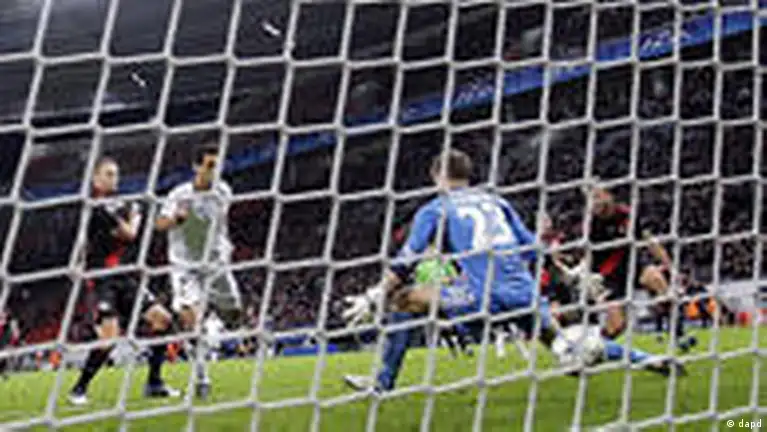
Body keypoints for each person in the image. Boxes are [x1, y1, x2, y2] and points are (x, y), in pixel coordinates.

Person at [341, 150, 680, 392]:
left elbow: (407, 260)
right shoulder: (497, 201)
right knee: (562, 342)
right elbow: (532, 247)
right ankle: (647, 358)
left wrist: (375, 295)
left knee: (401, 300)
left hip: (481, 296)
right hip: (524, 294)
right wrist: (568, 275)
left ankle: (382, 383)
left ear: (436, 176)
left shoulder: (435, 208)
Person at [69, 157, 177, 406]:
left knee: (162, 319)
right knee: (109, 338)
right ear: (95, 178)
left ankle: (154, 383)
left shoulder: (118, 204)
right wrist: (135, 216)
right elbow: (129, 233)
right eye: (108, 174)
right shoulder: (95, 207)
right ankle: (79, 388)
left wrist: (130, 216)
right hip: (101, 278)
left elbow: (125, 231)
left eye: (116, 174)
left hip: (125, 275)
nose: (113, 179)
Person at [155, 144, 243, 399]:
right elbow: (159, 224)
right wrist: (176, 218)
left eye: (217, 166)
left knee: (233, 316)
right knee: (190, 320)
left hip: (216, 265)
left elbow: (214, 224)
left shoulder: (223, 191)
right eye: (209, 166)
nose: (214, 171)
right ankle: (202, 376)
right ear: (196, 167)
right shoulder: (178, 194)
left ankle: (215, 329)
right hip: (185, 266)